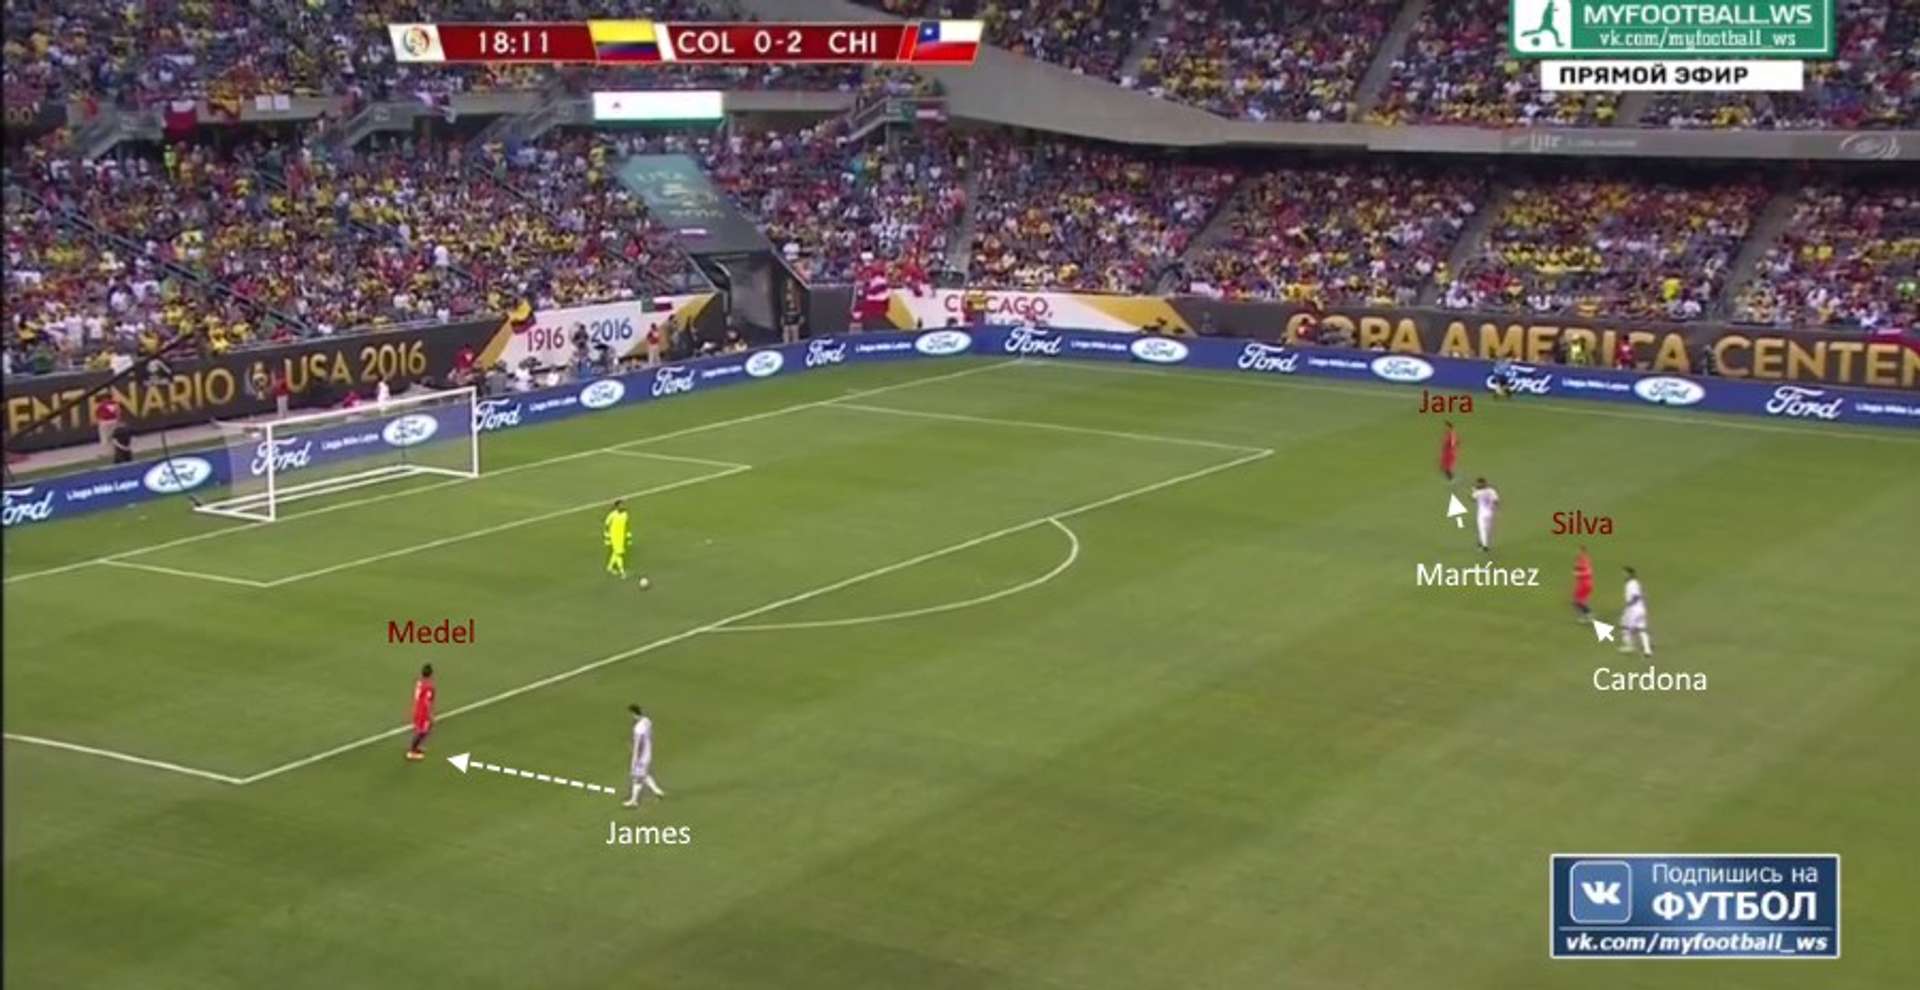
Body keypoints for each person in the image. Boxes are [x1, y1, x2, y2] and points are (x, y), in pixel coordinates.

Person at [622, 704, 666, 807]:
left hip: (641, 757)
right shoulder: (647, 721)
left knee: (637, 778)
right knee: (643, 774)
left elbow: (638, 745)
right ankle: (657, 791)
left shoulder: (638, 728)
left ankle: (634, 801)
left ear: (633, 713)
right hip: (648, 753)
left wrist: (635, 759)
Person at [1618, 567, 1652, 657]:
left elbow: (1635, 596)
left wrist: (1629, 605)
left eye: (1625, 573)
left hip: (1633, 610)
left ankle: (1629, 646)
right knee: (1642, 629)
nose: (1623, 575)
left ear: (1630, 574)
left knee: (1625, 626)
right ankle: (1647, 650)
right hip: (1641, 609)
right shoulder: (1636, 583)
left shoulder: (1631, 584)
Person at [405, 664, 436, 761]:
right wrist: (429, 714)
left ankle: (416, 747)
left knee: (424, 730)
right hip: (423, 712)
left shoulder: (420, 682)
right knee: (421, 731)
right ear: (431, 674)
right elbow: (427, 701)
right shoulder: (429, 686)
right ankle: (412, 752)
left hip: (417, 708)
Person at [1471, 477, 1499, 555]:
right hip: (1490, 513)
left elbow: (1473, 499)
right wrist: (1493, 506)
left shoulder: (1477, 492)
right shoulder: (1491, 490)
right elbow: (1496, 501)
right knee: (1487, 529)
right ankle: (1482, 542)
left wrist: (1474, 491)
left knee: (1482, 529)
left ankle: (1485, 546)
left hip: (1481, 514)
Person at [603, 499, 630, 579]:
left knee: (616, 552)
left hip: (621, 536)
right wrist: (607, 538)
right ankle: (622, 572)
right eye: (621, 505)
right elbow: (606, 525)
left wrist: (628, 536)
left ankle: (609, 567)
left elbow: (626, 525)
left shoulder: (625, 514)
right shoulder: (612, 515)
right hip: (614, 537)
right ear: (616, 507)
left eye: (623, 504)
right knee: (619, 554)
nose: (623, 506)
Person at [94, 393, 121, 460]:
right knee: (112, 438)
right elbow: (118, 412)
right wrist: (117, 420)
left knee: (105, 438)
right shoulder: (114, 404)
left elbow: (97, 414)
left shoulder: (100, 405)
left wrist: (99, 421)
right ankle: (113, 452)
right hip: (112, 421)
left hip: (106, 422)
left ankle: (107, 453)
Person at [1572, 546, 1594, 621]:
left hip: (1585, 584)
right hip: (1583, 583)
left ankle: (1587, 614)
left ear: (1583, 551)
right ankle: (1586, 615)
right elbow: (1576, 569)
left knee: (1578, 601)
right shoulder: (1582, 559)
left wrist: (1578, 574)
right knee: (1580, 601)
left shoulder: (1584, 561)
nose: (1577, 552)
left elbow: (1588, 572)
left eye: (1579, 551)